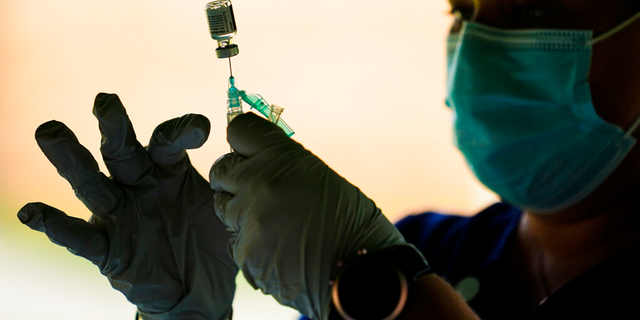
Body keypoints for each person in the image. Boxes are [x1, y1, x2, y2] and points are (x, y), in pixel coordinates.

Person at [18, 0, 640, 319]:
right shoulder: (431, 251)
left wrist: (384, 294)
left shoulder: (388, 270)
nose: (480, 44)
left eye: (536, 11)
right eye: (463, 11)